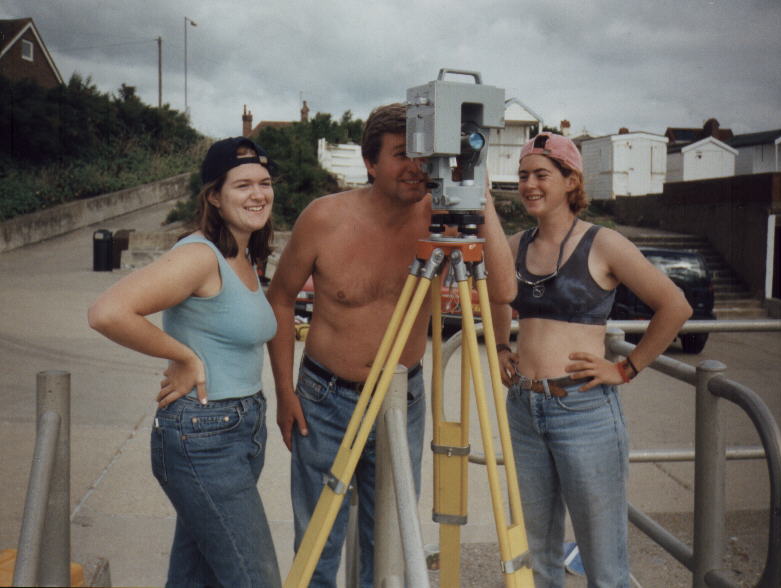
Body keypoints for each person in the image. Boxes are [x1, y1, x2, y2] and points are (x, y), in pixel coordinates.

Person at [266, 102, 516, 587]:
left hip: (402, 399)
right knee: (317, 545)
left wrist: (478, 198)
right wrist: (284, 391)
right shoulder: (324, 218)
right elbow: (279, 300)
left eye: (423, 155)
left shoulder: (441, 218)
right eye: (402, 154)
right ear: (369, 162)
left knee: (389, 547)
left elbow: (504, 290)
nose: (416, 167)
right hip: (324, 398)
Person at [492, 132, 692, 588]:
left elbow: (675, 305)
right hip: (524, 409)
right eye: (523, 175)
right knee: (537, 557)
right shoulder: (515, 243)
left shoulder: (604, 244)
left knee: (604, 567)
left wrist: (625, 367)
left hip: (582, 411)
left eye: (542, 175)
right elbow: (497, 295)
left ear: (570, 180)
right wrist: (503, 346)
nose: (529, 185)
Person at [87, 137, 282, 588]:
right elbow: (107, 312)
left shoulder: (246, 253)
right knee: (256, 578)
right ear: (214, 195)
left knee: (199, 577)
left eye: (265, 183)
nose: (258, 194)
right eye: (243, 185)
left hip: (240, 427)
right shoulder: (199, 255)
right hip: (204, 435)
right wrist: (183, 355)